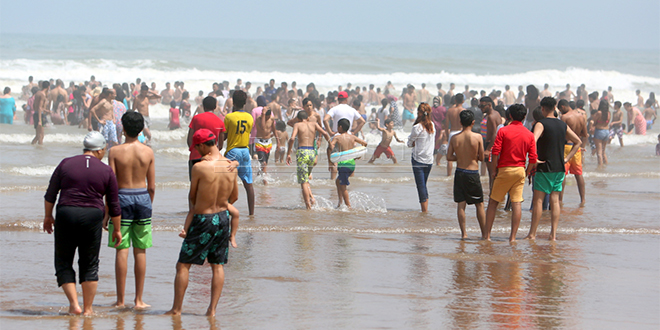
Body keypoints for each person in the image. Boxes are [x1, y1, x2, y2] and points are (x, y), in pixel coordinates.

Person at [43, 131, 122, 315]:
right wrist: (116, 229)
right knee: (90, 263)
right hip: (93, 216)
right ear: (100, 150)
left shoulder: (65, 163)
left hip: (66, 213)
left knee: (63, 261)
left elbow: (50, 194)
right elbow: (113, 203)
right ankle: (88, 309)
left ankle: (74, 305)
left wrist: (48, 216)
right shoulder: (106, 170)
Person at [166, 129, 239, 317]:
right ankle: (212, 311)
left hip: (202, 219)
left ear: (203, 146)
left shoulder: (199, 167)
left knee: (183, 265)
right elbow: (235, 196)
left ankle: (176, 309)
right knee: (218, 265)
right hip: (223, 218)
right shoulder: (231, 166)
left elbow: (192, 196)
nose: (196, 151)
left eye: (197, 147)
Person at [105, 112, 155, 309]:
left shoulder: (115, 152)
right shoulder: (148, 152)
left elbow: (111, 185)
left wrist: (107, 210)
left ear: (123, 129)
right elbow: (152, 186)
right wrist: (148, 203)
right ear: (141, 129)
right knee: (140, 250)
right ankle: (139, 300)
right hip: (142, 197)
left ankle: (120, 300)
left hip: (121, 198)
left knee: (121, 249)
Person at [526, 97, 582, 241]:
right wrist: (566, 158)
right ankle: (553, 235)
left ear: (543, 108)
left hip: (545, 166)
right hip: (559, 167)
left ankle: (532, 234)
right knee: (555, 200)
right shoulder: (562, 124)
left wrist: (533, 159)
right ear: (555, 107)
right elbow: (578, 142)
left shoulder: (540, 123)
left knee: (538, 200)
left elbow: (532, 140)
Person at [482, 104, 537, 242]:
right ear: (524, 117)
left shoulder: (504, 131)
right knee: (516, 203)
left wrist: (494, 170)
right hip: (519, 170)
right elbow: (533, 158)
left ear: (510, 116)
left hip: (505, 169)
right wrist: (527, 172)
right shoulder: (529, 134)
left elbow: (495, 152)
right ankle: (512, 238)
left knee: (493, 202)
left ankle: (487, 236)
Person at [446, 110, 486, 239]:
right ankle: (485, 234)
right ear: (473, 122)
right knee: (479, 204)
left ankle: (464, 234)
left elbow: (449, 157)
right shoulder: (478, 137)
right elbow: (481, 157)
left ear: (460, 122)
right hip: (472, 172)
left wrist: (461, 157)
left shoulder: (455, 138)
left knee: (461, 204)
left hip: (460, 172)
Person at [286, 111, 330, 209]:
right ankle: (311, 198)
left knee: (303, 181)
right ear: (308, 118)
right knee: (306, 178)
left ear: (298, 119)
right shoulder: (314, 124)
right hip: (312, 152)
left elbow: (292, 138)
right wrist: (331, 144)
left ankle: (308, 206)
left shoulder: (297, 124)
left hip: (302, 152)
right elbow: (325, 133)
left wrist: (288, 153)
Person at [224, 90, 255, 215]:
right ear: (245, 102)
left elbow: (225, 136)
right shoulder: (249, 117)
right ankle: (251, 214)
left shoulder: (229, 117)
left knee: (226, 185)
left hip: (233, 151)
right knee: (249, 185)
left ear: (233, 102)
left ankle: (225, 212)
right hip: (245, 151)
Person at [323, 91, 366, 179]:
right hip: (349, 137)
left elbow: (325, 120)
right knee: (350, 160)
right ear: (346, 99)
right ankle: (349, 182)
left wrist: (330, 132)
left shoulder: (334, 109)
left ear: (338, 99)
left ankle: (333, 183)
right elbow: (362, 121)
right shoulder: (352, 109)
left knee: (335, 161)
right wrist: (354, 132)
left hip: (337, 136)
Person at [327, 119, 367, 209]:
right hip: (351, 164)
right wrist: (358, 155)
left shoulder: (337, 137)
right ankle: (340, 203)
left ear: (340, 127)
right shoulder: (352, 137)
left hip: (343, 165)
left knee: (343, 186)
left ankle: (348, 207)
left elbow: (330, 147)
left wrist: (330, 161)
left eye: (338, 126)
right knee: (338, 182)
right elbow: (365, 144)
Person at [187, 96, 226, 180]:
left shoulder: (196, 118)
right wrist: (213, 153)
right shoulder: (220, 122)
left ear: (203, 106)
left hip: (195, 157)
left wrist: (193, 149)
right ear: (215, 107)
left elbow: (189, 138)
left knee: (194, 186)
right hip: (212, 159)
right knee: (210, 185)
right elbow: (221, 144)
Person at [558, 99, 588, 206]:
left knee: (563, 174)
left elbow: (560, 134)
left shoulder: (564, 117)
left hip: (566, 147)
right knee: (578, 174)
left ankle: (560, 200)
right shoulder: (581, 116)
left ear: (563, 107)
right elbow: (585, 134)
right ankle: (583, 200)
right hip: (577, 148)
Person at [407, 103, 436, 212]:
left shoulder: (417, 127)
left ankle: (424, 211)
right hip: (429, 160)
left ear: (419, 113)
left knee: (421, 186)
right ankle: (425, 209)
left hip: (418, 160)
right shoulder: (432, 125)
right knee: (423, 185)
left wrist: (413, 142)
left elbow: (409, 143)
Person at [480, 96, 502, 190]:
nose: (481, 108)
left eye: (483, 106)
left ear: (489, 105)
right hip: (493, 144)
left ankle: (492, 195)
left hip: (490, 144)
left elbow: (494, 134)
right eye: (479, 106)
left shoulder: (491, 116)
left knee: (492, 173)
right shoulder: (496, 113)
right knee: (495, 172)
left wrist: (488, 149)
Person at [255, 104, 277, 183]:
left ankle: (258, 177)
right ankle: (265, 181)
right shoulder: (259, 119)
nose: (267, 118)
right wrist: (263, 115)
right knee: (263, 163)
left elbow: (274, 130)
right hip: (259, 143)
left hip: (268, 143)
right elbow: (263, 127)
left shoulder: (271, 119)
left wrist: (278, 142)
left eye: (268, 116)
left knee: (265, 163)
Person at [445, 94, 465, 175]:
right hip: (461, 132)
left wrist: (447, 135)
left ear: (455, 100)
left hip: (452, 132)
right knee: (461, 155)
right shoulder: (464, 110)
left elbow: (446, 126)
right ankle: (460, 174)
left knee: (450, 155)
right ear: (463, 101)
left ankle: (449, 175)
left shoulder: (450, 111)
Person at [589, 99, 611, 169]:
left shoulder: (599, 113)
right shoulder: (608, 113)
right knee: (603, 152)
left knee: (599, 152)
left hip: (599, 131)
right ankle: (606, 165)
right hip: (607, 131)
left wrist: (592, 124)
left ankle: (600, 167)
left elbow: (595, 122)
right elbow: (608, 122)